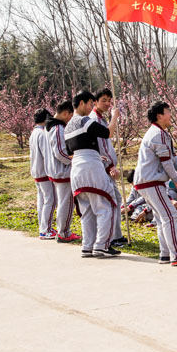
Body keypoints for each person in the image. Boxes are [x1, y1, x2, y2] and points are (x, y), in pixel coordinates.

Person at [133, 101, 177, 266]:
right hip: (151, 181)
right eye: (168, 111)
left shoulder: (161, 133)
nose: (171, 115)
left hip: (146, 182)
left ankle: (165, 254)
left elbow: (174, 158)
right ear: (159, 115)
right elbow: (167, 162)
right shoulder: (157, 135)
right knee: (170, 215)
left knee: (162, 218)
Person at [64, 90, 121, 258]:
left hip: (76, 169)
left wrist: (94, 154)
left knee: (87, 210)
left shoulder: (67, 127)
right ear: (81, 103)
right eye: (90, 103)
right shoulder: (85, 121)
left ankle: (87, 246)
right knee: (106, 204)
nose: (91, 107)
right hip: (91, 168)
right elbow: (107, 133)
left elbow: (71, 151)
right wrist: (114, 117)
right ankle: (102, 244)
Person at [90, 88, 127, 247]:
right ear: (95, 101)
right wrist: (109, 165)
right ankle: (110, 237)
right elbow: (104, 141)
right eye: (103, 100)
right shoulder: (95, 120)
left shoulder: (100, 119)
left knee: (116, 199)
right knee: (110, 201)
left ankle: (116, 235)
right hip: (102, 168)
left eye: (109, 100)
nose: (107, 103)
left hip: (106, 166)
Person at [45, 100, 80, 243]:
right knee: (67, 203)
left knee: (63, 202)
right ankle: (64, 232)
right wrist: (75, 160)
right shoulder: (58, 128)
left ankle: (63, 230)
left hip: (56, 171)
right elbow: (60, 152)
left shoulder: (50, 127)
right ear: (66, 113)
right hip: (62, 171)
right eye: (71, 116)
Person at [30, 108, 56, 240]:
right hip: (45, 172)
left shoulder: (34, 133)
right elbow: (47, 154)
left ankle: (43, 227)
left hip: (36, 171)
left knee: (42, 200)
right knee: (50, 200)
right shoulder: (43, 134)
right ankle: (46, 229)